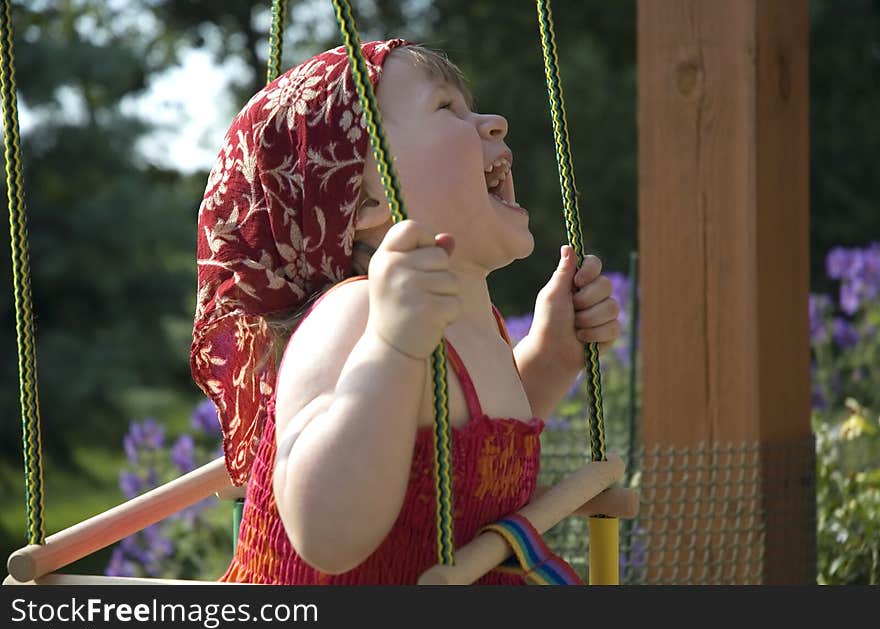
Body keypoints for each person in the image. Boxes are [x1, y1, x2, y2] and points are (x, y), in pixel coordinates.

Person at [191, 39, 622, 585]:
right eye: (447, 109)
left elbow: (463, 464)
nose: (495, 122)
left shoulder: (473, 327)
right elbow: (325, 533)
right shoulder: (357, 316)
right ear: (359, 198)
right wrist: (391, 348)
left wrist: (552, 357)